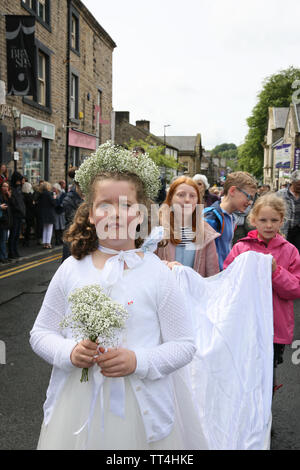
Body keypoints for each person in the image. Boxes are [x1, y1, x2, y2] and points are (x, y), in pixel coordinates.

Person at [30, 142, 208, 450]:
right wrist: (69, 352)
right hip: (77, 405)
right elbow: (40, 333)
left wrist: (138, 359)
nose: (115, 213)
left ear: (140, 214)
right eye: (105, 205)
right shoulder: (71, 269)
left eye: (126, 205)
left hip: (142, 407)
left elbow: (184, 345)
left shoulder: (156, 273)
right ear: (89, 214)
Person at [223, 193, 300, 393]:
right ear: (253, 219)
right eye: (263, 220)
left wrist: (276, 271)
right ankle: (244, 416)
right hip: (245, 322)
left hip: (274, 326)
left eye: (274, 220)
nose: (268, 225)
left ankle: (265, 418)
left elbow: (295, 288)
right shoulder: (241, 248)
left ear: (282, 221)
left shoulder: (290, 251)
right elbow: (227, 281)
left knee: (268, 374)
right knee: (243, 370)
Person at [156, 176, 219, 277]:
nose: (187, 200)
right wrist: (166, 266)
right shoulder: (156, 228)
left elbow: (213, 275)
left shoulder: (206, 233)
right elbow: (143, 263)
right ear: (170, 198)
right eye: (181, 195)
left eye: (192, 196)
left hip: (193, 291)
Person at [204, 171, 257, 270]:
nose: (250, 202)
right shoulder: (212, 217)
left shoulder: (231, 216)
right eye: (249, 197)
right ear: (232, 191)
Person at [277, 170, 300, 252]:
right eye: (298, 184)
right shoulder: (280, 194)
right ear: (292, 182)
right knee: (284, 251)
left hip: (298, 230)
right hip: (285, 229)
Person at [61, 180, 84, 261]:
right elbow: (73, 219)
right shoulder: (68, 199)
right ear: (77, 186)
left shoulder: (86, 197)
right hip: (73, 234)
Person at [8, 171, 26, 259]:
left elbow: (20, 202)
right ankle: (11, 252)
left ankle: (15, 251)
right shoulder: (12, 189)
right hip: (15, 215)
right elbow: (13, 203)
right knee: (13, 234)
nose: (20, 182)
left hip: (19, 215)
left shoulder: (18, 188)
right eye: (19, 180)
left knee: (17, 234)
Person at [38, 181, 57, 249]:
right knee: (49, 229)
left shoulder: (41, 194)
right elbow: (54, 203)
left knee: (45, 228)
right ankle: (48, 243)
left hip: (43, 213)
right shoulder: (49, 194)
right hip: (49, 213)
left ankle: (44, 243)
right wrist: (55, 198)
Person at [0, 181, 12, 263]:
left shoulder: (8, 196)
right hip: (2, 221)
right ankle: (2, 257)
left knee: (4, 240)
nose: (5, 188)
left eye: (7, 186)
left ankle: (5, 256)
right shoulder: (0, 196)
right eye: (4, 186)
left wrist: (10, 197)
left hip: (7, 221)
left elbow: (12, 207)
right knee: (2, 240)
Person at [22, 182, 35, 247]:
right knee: (28, 228)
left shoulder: (22, 195)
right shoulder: (28, 196)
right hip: (29, 214)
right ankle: (26, 241)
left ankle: (25, 241)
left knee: (26, 228)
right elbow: (32, 204)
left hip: (25, 214)